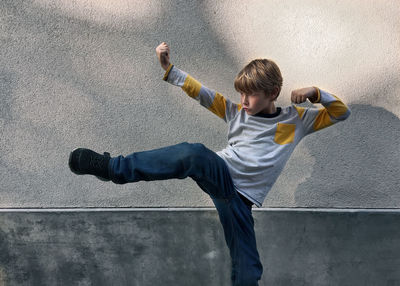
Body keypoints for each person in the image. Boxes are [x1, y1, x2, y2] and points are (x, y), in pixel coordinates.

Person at [69, 42, 351, 285]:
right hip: (221, 172)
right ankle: (112, 168)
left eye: (250, 95)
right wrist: (170, 69)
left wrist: (315, 93)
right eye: (240, 94)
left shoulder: (297, 120)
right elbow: (202, 93)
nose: (243, 101)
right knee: (194, 154)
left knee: (249, 270)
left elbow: (341, 113)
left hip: (241, 201)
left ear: (273, 92)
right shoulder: (237, 112)